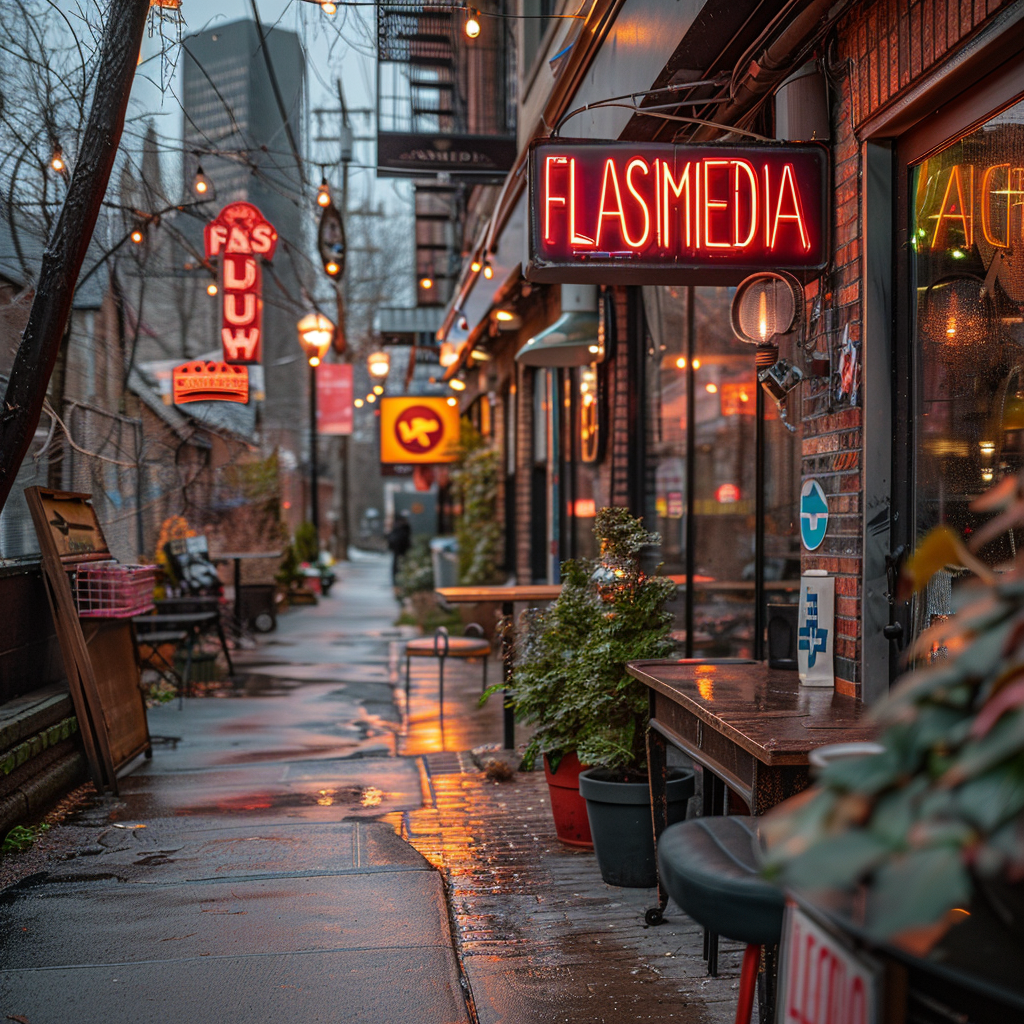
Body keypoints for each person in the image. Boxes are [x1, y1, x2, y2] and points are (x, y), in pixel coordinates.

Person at [386, 513, 412, 586]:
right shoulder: (401, 528)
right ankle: (398, 584)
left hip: (400, 552)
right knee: (399, 567)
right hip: (400, 552)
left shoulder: (400, 528)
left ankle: (398, 583)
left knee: (398, 567)